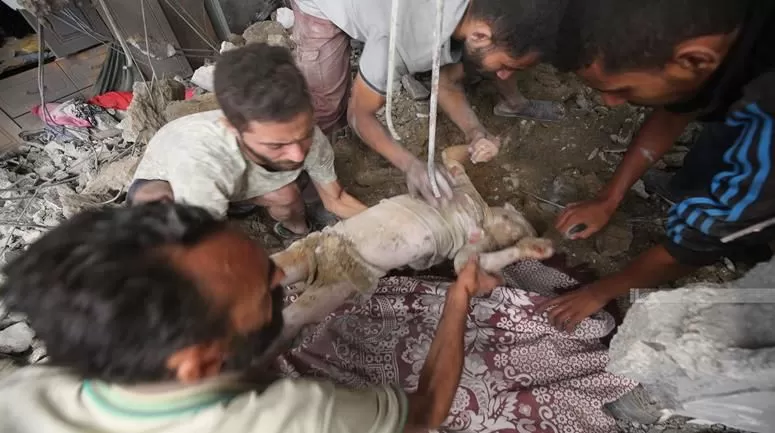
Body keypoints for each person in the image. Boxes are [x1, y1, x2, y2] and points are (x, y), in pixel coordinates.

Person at [0, 201, 500, 433]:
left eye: (266, 263)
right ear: (200, 363)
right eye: (265, 290)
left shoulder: (21, 393)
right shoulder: (292, 417)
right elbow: (429, 411)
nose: (281, 277)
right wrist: (459, 296)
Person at [538, 0, 775, 331]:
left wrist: (599, 292)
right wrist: (609, 197)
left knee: (732, 222)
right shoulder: (713, 31)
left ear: (695, 59)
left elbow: (694, 245)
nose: (610, 101)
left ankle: (751, 240)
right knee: (719, 141)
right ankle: (701, 197)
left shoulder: (766, 131)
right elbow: (678, 105)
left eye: (623, 88)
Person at [289, 0, 568, 205]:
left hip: (397, 19)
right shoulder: (402, 41)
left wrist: (475, 132)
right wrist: (411, 165)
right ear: (480, 35)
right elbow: (359, 114)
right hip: (326, 5)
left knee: (482, 60)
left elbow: (444, 81)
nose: (505, 74)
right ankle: (318, 191)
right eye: (506, 66)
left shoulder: (477, 19)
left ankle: (512, 102)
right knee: (326, 107)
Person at [128, 43, 366, 241]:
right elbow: (208, 250)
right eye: (276, 145)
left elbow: (336, 199)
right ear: (234, 128)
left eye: (304, 136)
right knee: (156, 217)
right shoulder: (200, 164)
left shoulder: (306, 136)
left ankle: (298, 232)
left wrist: (387, 219)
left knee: (287, 196)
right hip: (174, 180)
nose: (297, 154)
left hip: (235, 178)